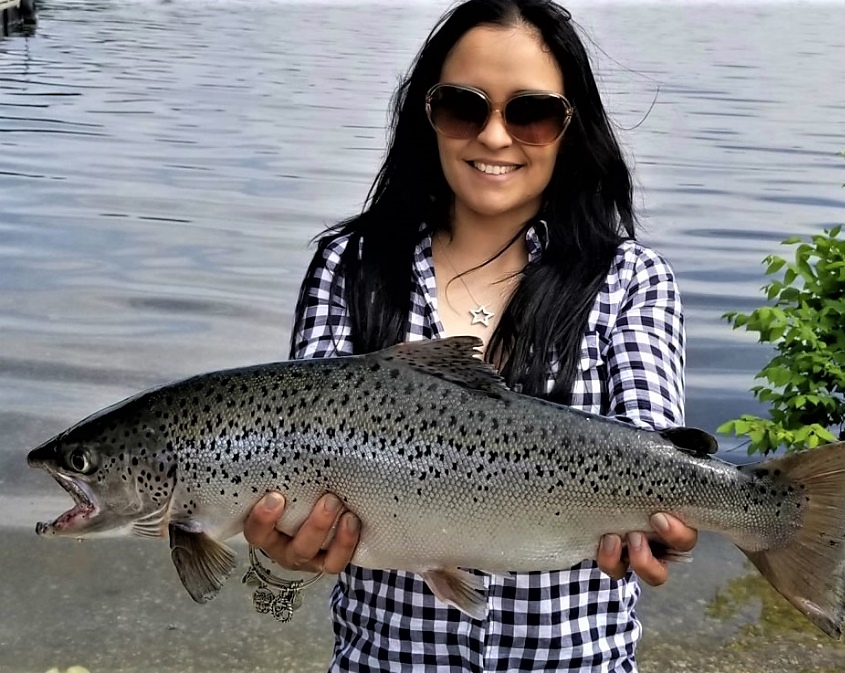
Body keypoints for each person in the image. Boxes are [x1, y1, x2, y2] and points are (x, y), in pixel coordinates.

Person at [244, 0, 697, 670]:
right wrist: (280, 563)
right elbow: (297, 465)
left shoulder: (631, 279)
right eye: (464, 106)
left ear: (571, 128)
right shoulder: (352, 265)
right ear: (425, 114)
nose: (492, 136)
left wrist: (658, 532)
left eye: (530, 113)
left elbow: (652, 447)